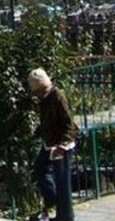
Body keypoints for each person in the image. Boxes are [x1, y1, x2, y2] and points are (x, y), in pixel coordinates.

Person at [27, 68, 77, 221]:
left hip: (60, 145)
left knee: (60, 179)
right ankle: (55, 204)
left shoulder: (57, 96)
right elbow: (46, 122)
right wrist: (36, 133)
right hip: (50, 144)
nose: (35, 95)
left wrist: (64, 143)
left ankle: (64, 213)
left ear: (41, 87)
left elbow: (69, 122)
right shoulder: (45, 99)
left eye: (36, 91)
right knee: (41, 169)